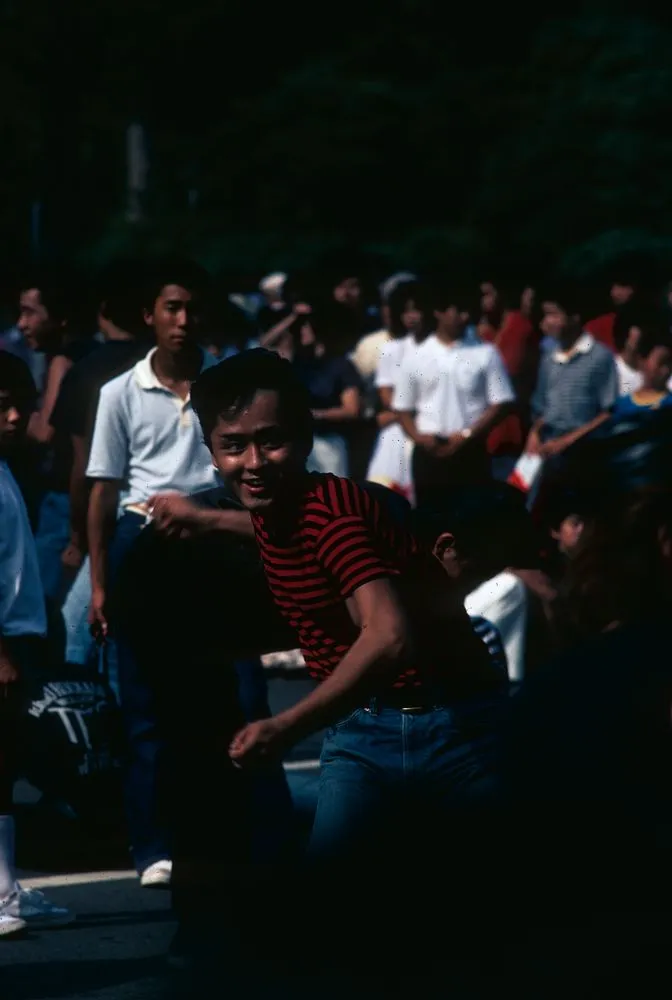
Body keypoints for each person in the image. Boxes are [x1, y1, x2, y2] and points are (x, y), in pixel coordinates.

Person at [85, 259, 220, 888]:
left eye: (191, 308)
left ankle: (240, 834)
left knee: (233, 695)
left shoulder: (223, 383)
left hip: (213, 535)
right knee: (145, 707)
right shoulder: (120, 393)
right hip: (143, 538)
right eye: (171, 308)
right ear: (149, 315)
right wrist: (100, 583)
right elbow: (102, 492)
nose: (182, 321)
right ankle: (151, 846)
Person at [0, 351, 74, 936]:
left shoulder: (6, 468)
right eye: (1, 405)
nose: (13, 415)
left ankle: (6, 889)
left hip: (20, 635)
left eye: (20, 404)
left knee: (6, 767)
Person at [394, 284, 515, 507]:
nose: (465, 317)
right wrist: (419, 439)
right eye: (458, 310)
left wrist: (468, 434)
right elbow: (402, 408)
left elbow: (501, 402)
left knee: (471, 525)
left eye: (467, 311)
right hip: (428, 453)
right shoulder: (416, 356)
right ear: (439, 312)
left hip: (470, 452)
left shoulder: (485, 352)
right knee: (429, 525)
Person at [525, 284, 619, 460]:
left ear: (574, 317)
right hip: (548, 451)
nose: (547, 321)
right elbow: (541, 407)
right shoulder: (548, 357)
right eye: (545, 315)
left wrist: (568, 440)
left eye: (554, 315)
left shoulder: (599, 356)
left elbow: (609, 412)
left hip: (585, 454)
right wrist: (534, 433)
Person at [366, 279, 428, 498]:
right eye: (406, 311)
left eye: (416, 310)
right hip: (397, 432)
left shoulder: (438, 350)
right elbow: (387, 397)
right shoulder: (392, 350)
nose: (411, 316)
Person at [611, 327, 672, 416]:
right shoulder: (621, 406)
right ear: (641, 362)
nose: (667, 370)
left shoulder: (668, 405)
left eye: (669, 363)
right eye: (661, 363)